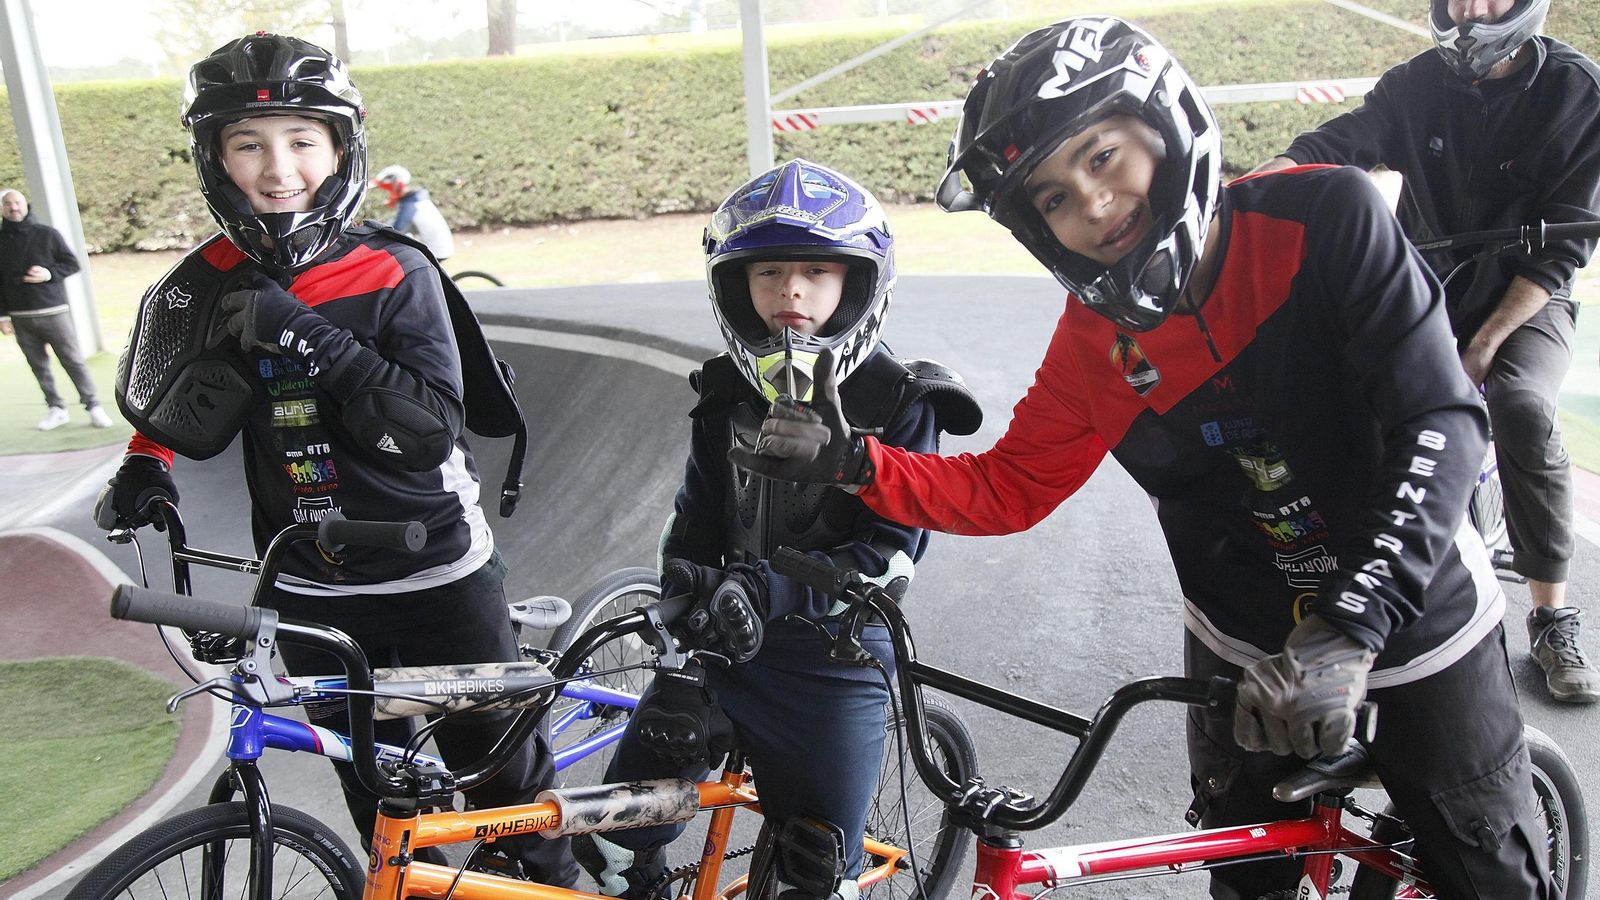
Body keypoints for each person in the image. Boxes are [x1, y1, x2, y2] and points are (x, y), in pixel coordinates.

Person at [734, 17, 1554, 899]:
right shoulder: (1093, 344)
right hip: (1244, 641)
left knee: (1486, 873)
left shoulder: (1325, 216)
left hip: (1415, 608)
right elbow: (1010, 487)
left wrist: (1353, 624)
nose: (1090, 204)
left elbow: (1440, 420)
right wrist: (857, 464)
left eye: (1102, 156)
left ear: (1165, 128)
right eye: (1052, 198)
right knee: (1247, 884)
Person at [92, 33, 577, 886]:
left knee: (501, 781)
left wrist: (301, 333)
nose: (278, 168)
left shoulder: (395, 270)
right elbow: (172, 387)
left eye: (301, 140)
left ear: (342, 148)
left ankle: (552, 884)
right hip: (310, 586)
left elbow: (425, 432)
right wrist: (145, 460)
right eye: (248, 144)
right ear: (215, 160)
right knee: (377, 793)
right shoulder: (206, 279)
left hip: (438, 573)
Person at [571, 159, 979, 900]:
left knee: (814, 873)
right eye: (768, 273)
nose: (791, 291)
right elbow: (696, 515)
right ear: (736, 287)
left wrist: (766, 590)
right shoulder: (726, 390)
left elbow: (889, 558)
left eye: (816, 271)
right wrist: (685, 585)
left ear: (859, 283)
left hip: (834, 664)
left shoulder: (902, 402)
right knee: (608, 843)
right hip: (718, 650)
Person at [1249, 0, 1600, 704]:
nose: (1470, 10)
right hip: (1427, 286)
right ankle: (1357, 588)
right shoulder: (1413, 84)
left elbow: (1563, 246)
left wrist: (1485, 345)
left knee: (1521, 405)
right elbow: (1335, 144)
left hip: (1529, 300)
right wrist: (1249, 190)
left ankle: (1551, 615)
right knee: (1343, 391)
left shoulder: (1578, 93)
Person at [0, 188, 113, 431]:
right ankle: (56, 409)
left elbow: (72, 264)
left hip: (53, 311)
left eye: (17, 202)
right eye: (8, 203)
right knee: (38, 366)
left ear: (25, 204)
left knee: (72, 361)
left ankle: (93, 406)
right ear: (2, 208)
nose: (14, 207)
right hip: (20, 317)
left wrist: (48, 274)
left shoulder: (47, 234)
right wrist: (2, 316)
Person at [371, 164, 455, 260]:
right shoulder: (415, 199)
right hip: (439, 248)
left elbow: (394, 231)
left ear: (398, 186)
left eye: (388, 190)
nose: (387, 195)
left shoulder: (411, 206)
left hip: (435, 252)